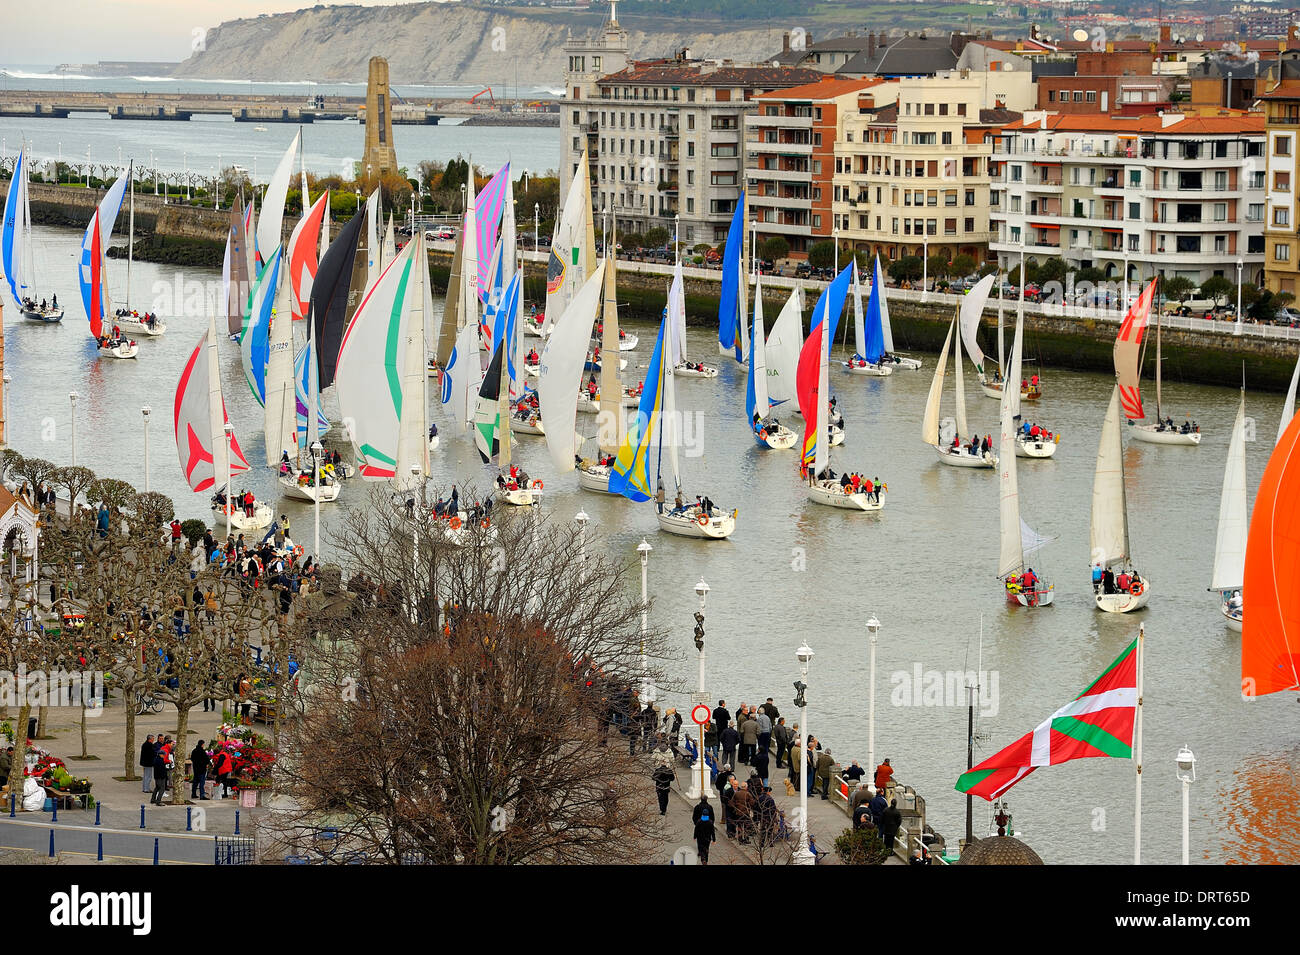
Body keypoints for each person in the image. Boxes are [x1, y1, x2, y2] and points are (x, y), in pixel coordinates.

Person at [693, 797, 717, 865]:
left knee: (700, 846)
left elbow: (696, 829)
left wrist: (695, 836)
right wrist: (714, 839)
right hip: (708, 836)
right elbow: (713, 831)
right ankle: (705, 859)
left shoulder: (699, 821)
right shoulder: (710, 821)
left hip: (700, 836)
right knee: (706, 847)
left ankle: (702, 856)